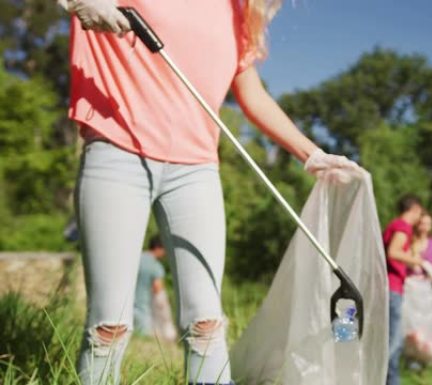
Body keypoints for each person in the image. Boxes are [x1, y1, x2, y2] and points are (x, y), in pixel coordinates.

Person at [58, 1, 361, 384]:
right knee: (109, 325)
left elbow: (254, 97)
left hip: (196, 170)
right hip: (116, 152)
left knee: (206, 323)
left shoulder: (236, 13)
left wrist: (311, 154)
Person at [383, 194, 424, 385]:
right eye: (419, 213)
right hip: (392, 289)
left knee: (392, 341)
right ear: (414, 209)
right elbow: (393, 252)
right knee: (394, 342)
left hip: (390, 288)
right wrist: (417, 261)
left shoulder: (395, 225)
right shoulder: (402, 226)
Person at [133, 235, 176, 341]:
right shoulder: (156, 266)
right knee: (142, 339)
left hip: (127, 306)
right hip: (143, 308)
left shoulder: (136, 258)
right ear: (158, 248)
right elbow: (158, 290)